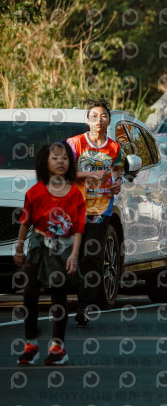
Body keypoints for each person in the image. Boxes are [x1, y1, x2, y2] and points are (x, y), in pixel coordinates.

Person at [14, 142, 86, 365]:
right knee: (29, 294)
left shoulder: (75, 194)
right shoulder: (34, 192)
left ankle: (57, 348)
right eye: (55, 158)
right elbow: (25, 222)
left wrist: (74, 255)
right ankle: (31, 344)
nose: (60, 162)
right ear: (45, 163)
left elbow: (79, 229)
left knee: (58, 297)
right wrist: (19, 248)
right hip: (38, 247)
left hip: (63, 251)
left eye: (64, 158)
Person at [67, 99, 123, 325]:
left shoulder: (115, 148)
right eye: (94, 116)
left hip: (101, 209)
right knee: (74, 255)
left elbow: (116, 171)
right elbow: (65, 173)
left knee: (93, 256)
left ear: (109, 121)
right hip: (75, 208)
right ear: (87, 120)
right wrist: (91, 175)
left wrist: (118, 183)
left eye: (103, 116)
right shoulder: (75, 144)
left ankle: (84, 306)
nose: (99, 120)